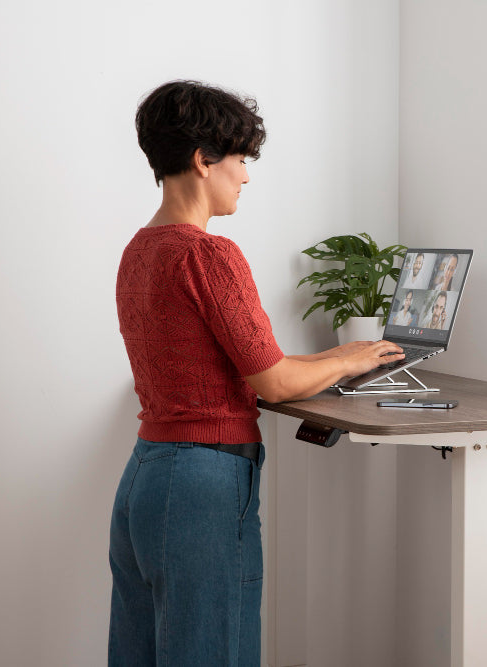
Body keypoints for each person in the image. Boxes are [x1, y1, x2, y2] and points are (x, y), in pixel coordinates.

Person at [108, 80, 403, 667]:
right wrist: (354, 357)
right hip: (202, 489)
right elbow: (274, 383)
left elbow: (251, 366)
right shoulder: (208, 255)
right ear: (203, 159)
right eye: (241, 159)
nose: (246, 175)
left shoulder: (141, 250)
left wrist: (340, 357)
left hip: (146, 480)